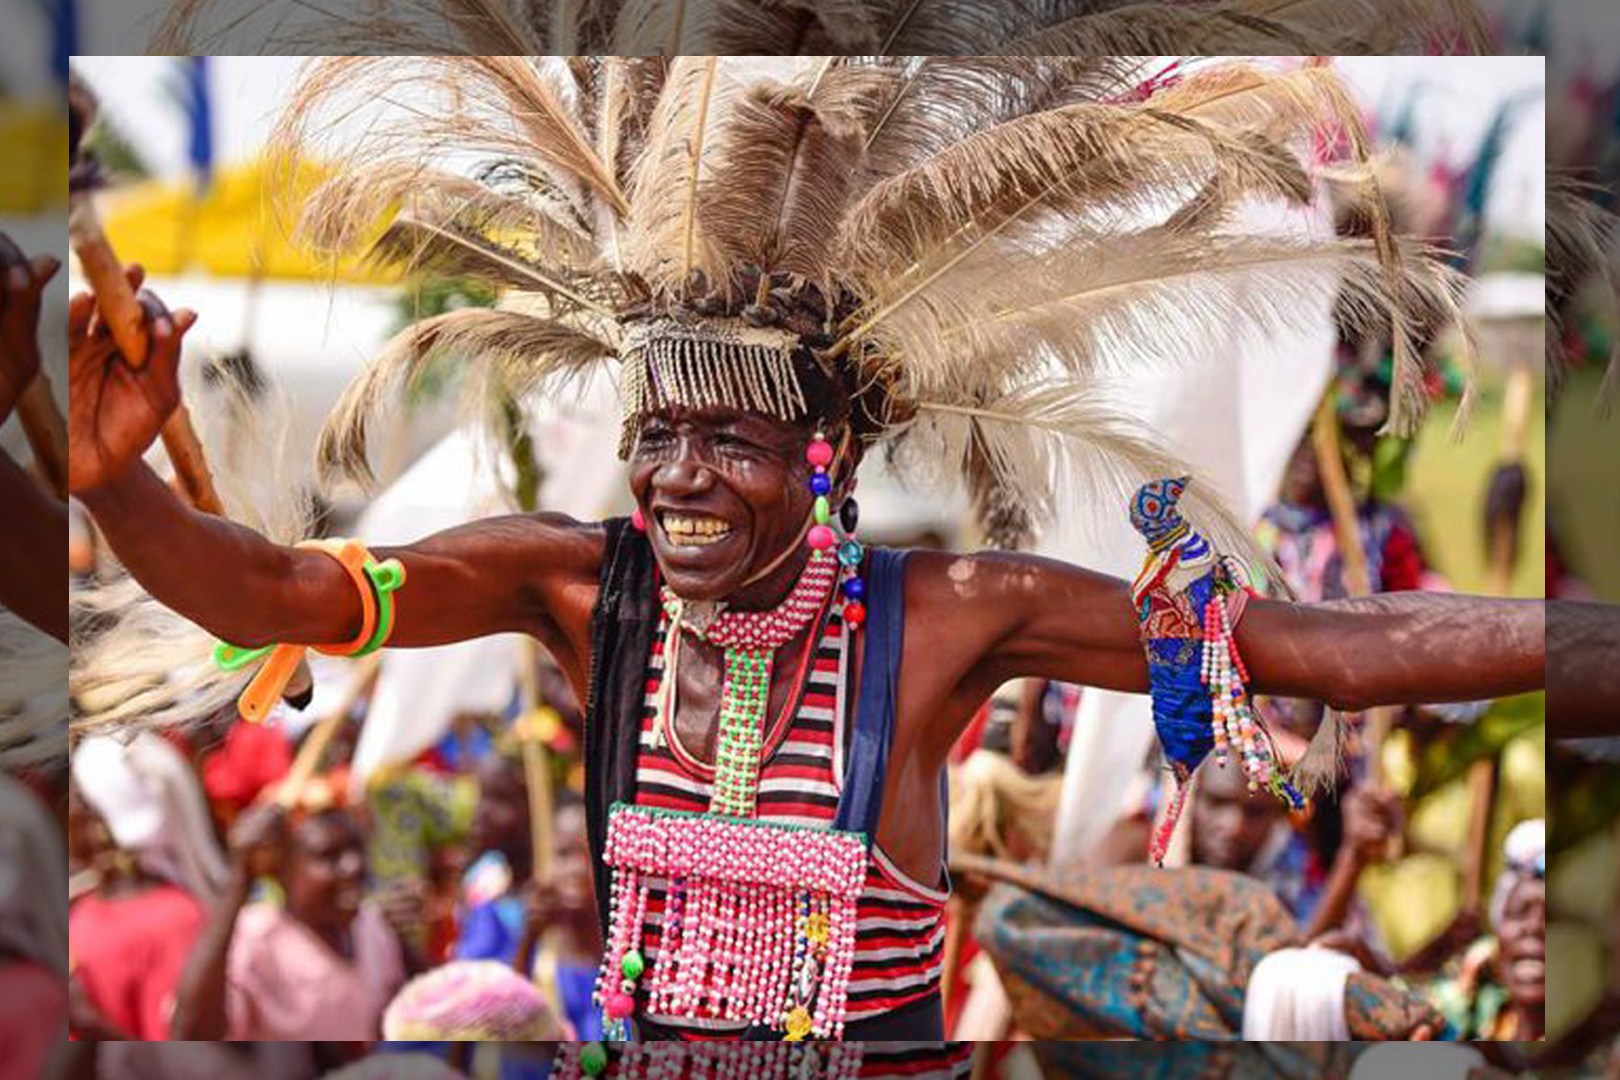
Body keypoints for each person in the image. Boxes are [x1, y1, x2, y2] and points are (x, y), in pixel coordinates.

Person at [71, 57, 1544, 1040]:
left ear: (824, 455)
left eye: (734, 438)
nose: (677, 476)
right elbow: (277, 594)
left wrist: (1567, 643)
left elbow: (1317, 651)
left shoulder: (951, 617)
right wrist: (123, 484)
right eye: (657, 432)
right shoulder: (575, 587)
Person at [168, 804, 409, 1042]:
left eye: (357, 850)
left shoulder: (371, 927)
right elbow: (191, 1033)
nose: (353, 867)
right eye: (328, 856)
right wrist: (241, 879)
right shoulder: (256, 936)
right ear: (284, 870)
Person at [66, 734, 228, 1041]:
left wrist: (86, 1022)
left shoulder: (172, 919)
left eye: (74, 798)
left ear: (99, 820)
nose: (67, 810)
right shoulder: (85, 905)